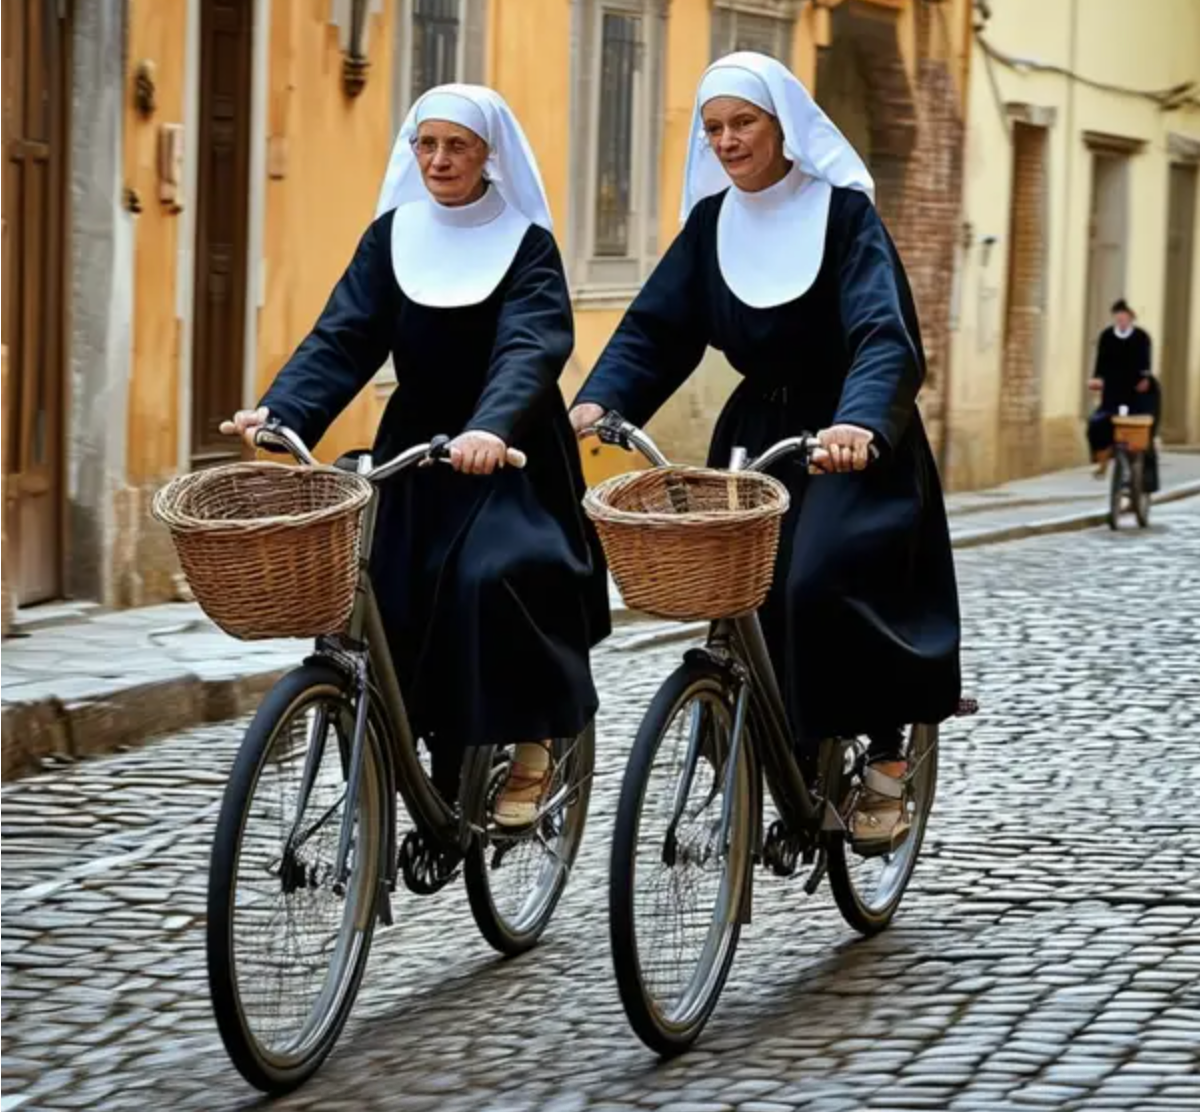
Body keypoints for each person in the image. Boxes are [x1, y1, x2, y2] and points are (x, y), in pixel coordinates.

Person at [570, 52, 961, 850]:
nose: (726, 140)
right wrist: (598, 400)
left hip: (850, 435)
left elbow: (884, 334)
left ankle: (884, 758)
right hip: (758, 433)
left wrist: (860, 423)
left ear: (784, 126)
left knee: (821, 577)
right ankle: (760, 743)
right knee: (736, 594)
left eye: (742, 123)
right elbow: (657, 328)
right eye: (713, 128)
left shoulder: (844, 215)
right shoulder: (714, 223)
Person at [222, 85, 609, 826]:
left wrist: (491, 427)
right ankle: (411, 756)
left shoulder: (526, 243)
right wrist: (284, 411)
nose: (439, 160)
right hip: (415, 443)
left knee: (491, 578)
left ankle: (532, 743)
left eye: (456, 146)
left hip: (509, 451)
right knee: (374, 592)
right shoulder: (392, 235)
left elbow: (531, 348)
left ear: (487, 154)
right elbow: (345, 335)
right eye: (426, 145)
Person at [1087, 299, 1159, 491]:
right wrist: (1096, 379)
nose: (1121, 320)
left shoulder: (1141, 337)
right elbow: (1100, 362)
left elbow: (1145, 362)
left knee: (1144, 432)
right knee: (1097, 422)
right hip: (1114, 388)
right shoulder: (1107, 336)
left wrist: (1144, 378)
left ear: (1131, 317)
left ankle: (1145, 479)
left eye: (1125, 317)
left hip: (1138, 390)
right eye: (1118, 317)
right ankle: (1102, 461)